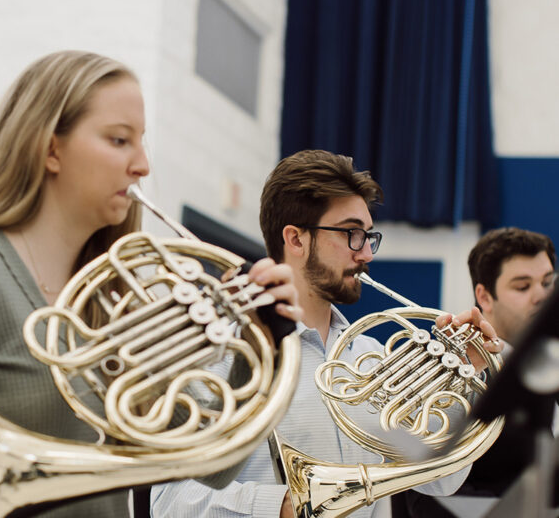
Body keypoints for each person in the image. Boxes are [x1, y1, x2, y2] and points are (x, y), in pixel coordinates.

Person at [0, 49, 303, 517]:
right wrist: (30, 472)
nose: (142, 165)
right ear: (51, 149)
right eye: (119, 140)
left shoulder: (114, 298)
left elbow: (212, 463)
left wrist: (257, 338)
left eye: (142, 141)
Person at [150, 149, 504, 518]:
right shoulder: (223, 355)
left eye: (369, 236)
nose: (366, 252)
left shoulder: (371, 356)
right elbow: (172, 504)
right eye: (352, 233)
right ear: (296, 239)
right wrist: (283, 506)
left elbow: (439, 478)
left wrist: (460, 376)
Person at [395, 227, 556, 517]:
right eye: (523, 286)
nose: (541, 296)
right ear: (484, 295)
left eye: (547, 283)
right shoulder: (451, 377)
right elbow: (423, 497)